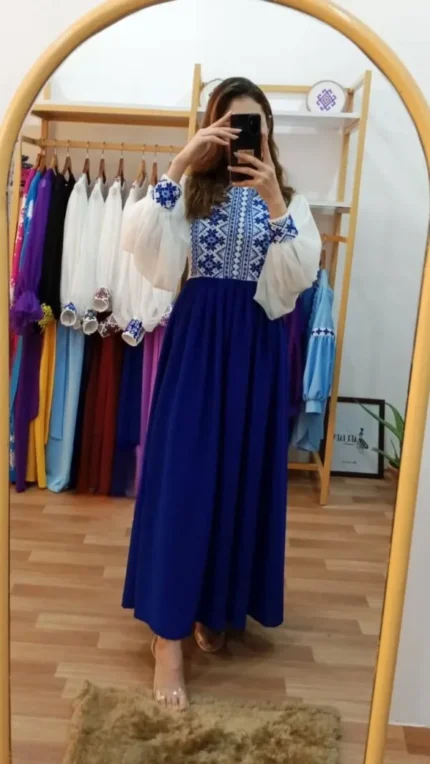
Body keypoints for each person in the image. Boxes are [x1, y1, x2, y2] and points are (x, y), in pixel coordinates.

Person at [122, 77, 321, 709]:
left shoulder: (289, 200)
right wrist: (181, 162)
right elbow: (144, 247)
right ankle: (167, 636)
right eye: (230, 125)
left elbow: (298, 275)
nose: (242, 136)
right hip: (199, 340)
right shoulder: (190, 193)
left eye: (253, 124)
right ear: (213, 128)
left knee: (236, 476)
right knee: (184, 478)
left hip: (256, 346)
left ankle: (214, 604)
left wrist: (274, 200)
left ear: (268, 132)